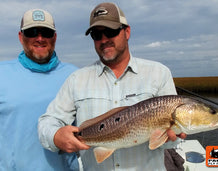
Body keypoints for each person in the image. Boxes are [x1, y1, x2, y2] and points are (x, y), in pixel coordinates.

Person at [38, 3, 186, 171]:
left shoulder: (159, 73)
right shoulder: (77, 79)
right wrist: (56, 136)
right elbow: (48, 121)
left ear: (127, 32)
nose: (104, 39)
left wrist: (170, 138)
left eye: (111, 31)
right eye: (96, 34)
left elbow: (171, 142)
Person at [0, 9, 79, 171]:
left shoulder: (75, 76)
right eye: (32, 32)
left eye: (46, 32)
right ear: (21, 37)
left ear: (55, 37)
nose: (40, 38)